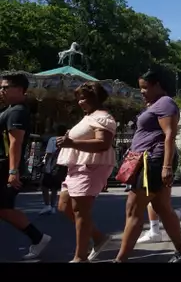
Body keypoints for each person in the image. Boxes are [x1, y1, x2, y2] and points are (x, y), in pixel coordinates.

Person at [114, 66, 181, 263]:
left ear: (157, 85)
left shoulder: (165, 103)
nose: (141, 91)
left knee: (133, 208)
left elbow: (169, 135)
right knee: (163, 208)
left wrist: (166, 166)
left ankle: (120, 259)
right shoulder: (156, 104)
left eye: (144, 87)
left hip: (153, 161)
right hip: (149, 160)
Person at [55, 82, 116, 262]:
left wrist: (71, 143)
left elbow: (103, 144)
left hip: (90, 166)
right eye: (79, 98)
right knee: (64, 206)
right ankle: (98, 238)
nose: (80, 102)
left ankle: (80, 257)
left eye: (84, 98)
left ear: (95, 98)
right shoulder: (90, 116)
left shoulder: (103, 118)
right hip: (77, 166)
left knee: (81, 211)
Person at [0, 74, 52, 260]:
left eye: (6, 87)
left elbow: (16, 143)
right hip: (6, 168)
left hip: (6, 169)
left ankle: (38, 238)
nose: (2, 90)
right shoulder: (11, 109)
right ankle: (38, 238)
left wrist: (13, 172)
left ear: (21, 89)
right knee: (5, 210)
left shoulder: (17, 112)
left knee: (4, 209)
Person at [39, 125, 68, 215]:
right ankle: (52, 206)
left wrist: (45, 165)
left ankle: (47, 205)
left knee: (44, 186)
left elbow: (48, 153)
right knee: (54, 187)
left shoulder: (53, 139)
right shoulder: (67, 140)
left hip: (52, 165)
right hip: (62, 165)